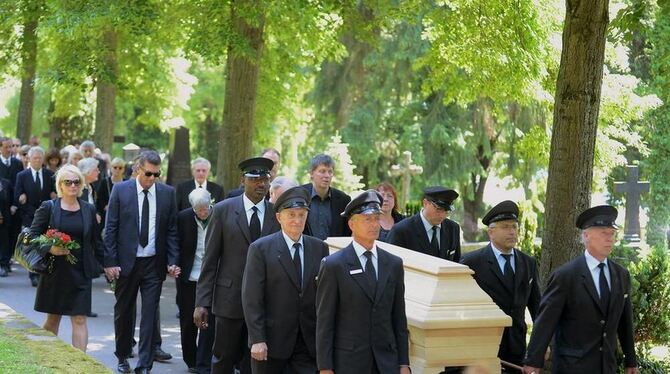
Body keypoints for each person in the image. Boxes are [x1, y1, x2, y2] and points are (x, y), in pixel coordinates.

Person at [522, 205, 638, 374]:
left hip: (607, 367)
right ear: (586, 235)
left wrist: (631, 361)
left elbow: (625, 321)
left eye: (612, 234)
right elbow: (546, 321)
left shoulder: (621, 275)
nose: (610, 239)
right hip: (572, 367)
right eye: (604, 233)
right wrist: (533, 360)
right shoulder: (565, 276)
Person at [194, 157, 281, 374]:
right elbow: (210, 260)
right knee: (223, 359)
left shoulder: (276, 214)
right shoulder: (223, 211)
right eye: (255, 179)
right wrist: (202, 302)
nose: (261, 184)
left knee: (255, 362)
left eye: (265, 179)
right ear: (243, 180)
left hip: (264, 303)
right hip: (229, 301)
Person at [316, 190, 410, 374]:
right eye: (368, 219)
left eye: (376, 219)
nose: (374, 225)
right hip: (349, 362)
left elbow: (399, 318)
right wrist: (325, 367)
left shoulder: (393, 264)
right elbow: (325, 322)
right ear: (352, 223)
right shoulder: (335, 265)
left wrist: (403, 363)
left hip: (386, 362)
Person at [103, 150, 181, 374]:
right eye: (149, 173)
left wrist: (173, 260)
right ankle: (122, 356)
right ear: (138, 169)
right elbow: (110, 229)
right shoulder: (120, 190)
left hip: (153, 264)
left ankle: (145, 365)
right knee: (124, 311)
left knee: (149, 314)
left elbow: (172, 230)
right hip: (126, 263)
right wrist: (110, 262)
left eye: (157, 174)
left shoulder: (167, 193)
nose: (153, 179)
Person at [242, 186, 329, 374]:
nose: (297, 220)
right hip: (272, 343)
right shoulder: (260, 249)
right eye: (291, 214)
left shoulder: (320, 248)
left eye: (301, 215)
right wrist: (257, 339)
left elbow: (323, 295)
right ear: (279, 217)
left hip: (308, 344)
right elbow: (252, 298)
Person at [29, 164, 104, 351]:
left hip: (81, 271)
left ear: (81, 184)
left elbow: (97, 242)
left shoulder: (88, 210)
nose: (73, 185)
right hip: (55, 272)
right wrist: (50, 248)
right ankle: (45, 358)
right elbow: (31, 237)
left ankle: (80, 366)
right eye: (68, 182)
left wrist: (109, 265)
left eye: (76, 182)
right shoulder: (49, 207)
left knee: (79, 318)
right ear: (60, 185)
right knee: (53, 319)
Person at [460, 201, 541, 371]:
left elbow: (537, 309)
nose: (512, 232)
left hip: (517, 350)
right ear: (491, 232)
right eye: (505, 227)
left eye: (514, 227)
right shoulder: (471, 262)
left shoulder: (528, 263)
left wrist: (538, 350)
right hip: (484, 348)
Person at [177, 188, 216, 373]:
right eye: (198, 210)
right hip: (189, 277)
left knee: (209, 320)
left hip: (212, 278)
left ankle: (204, 361)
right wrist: (174, 264)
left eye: (205, 208)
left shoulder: (218, 215)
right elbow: (176, 243)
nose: (203, 213)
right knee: (188, 320)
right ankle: (191, 360)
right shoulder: (183, 217)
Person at [14, 146, 57, 286]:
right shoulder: (22, 175)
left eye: (40, 158)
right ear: (29, 159)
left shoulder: (49, 174)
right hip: (29, 215)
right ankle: (33, 273)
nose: (38, 161)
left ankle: (42, 270)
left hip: (46, 215)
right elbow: (17, 196)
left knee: (44, 243)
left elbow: (53, 194)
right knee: (32, 244)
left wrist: (53, 195)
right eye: (35, 158)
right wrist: (22, 199)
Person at [387, 186, 461, 262]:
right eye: (438, 209)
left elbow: (457, 263)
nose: (442, 215)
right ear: (425, 203)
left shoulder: (453, 228)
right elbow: (390, 265)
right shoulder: (401, 231)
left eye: (447, 211)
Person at [301, 154, 351, 240]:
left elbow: (347, 232)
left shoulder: (343, 200)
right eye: (322, 171)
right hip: (307, 250)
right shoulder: (300, 194)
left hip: (334, 251)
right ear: (311, 173)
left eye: (330, 172)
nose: (327, 175)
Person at [96, 157, 127, 226]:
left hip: (123, 216)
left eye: (120, 168)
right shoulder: (104, 182)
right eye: (115, 167)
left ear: (123, 169)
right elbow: (99, 199)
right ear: (111, 168)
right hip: (107, 216)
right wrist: (105, 206)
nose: (117, 170)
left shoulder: (127, 182)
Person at [77, 158, 101, 223]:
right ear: (87, 172)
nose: (99, 172)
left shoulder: (91, 187)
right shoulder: (77, 188)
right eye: (96, 170)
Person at [0, 175, 12, 277]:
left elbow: (11, 199)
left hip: (4, 217)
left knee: (4, 241)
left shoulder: (6, 183)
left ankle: (4, 265)